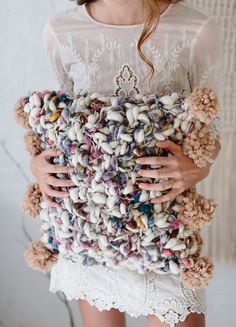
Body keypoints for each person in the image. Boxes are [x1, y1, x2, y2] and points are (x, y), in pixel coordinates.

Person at [30, 0, 222, 326]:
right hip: (88, 233)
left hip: (164, 234)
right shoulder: (61, 31)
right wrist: (38, 166)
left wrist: (199, 167)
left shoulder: (195, 29)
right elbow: (59, 126)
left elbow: (215, 127)